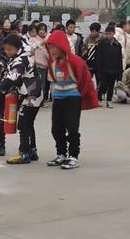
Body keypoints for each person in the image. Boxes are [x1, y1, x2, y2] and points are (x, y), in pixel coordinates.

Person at [46, 30, 99, 170]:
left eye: (53, 47)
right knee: (56, 129)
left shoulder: (75, 61)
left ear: (61, 45)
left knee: (72, 128)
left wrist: (79, 95)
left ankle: (73, 156)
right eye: (49, 48)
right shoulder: (52, 63)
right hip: (58, 98)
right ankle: (61, 154)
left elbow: (85, 80)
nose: (51, 51)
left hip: (72, 99)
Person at [0, 35, 42, 165]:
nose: (7, 52)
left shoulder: (20, 60)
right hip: (32, 92)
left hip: (30, 95)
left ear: (17, 48)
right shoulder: (26, 49)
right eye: (5, 49)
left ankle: (23, 153)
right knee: (29, 123)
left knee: (23, 124)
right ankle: (32, 150)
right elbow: (33, 45)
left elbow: (12, 77)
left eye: (10, 49)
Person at [95, 24, 123, 109]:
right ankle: (98, 99)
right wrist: (99, 70)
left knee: (111, 86)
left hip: (114, 70)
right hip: (104, 69)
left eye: (109, 33)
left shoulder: (117, 45)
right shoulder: (101, 43)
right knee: (102, 85)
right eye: (106, 33)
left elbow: (119, 59)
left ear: (114, 33)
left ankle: (109, 101)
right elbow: (98, 57)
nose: (107, 35)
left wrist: (119, 74)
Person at [27, 23, 49, 102]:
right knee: (34, 84)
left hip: (43, 66)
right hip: (35, 65)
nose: (42, 31)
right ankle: (33, 99)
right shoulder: (33, 39)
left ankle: (41, 101)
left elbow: (48, 53)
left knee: (42, 84)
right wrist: (40, 43)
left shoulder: (47, 40)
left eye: (44, 30)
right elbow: (30, 50)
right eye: (40, 29)